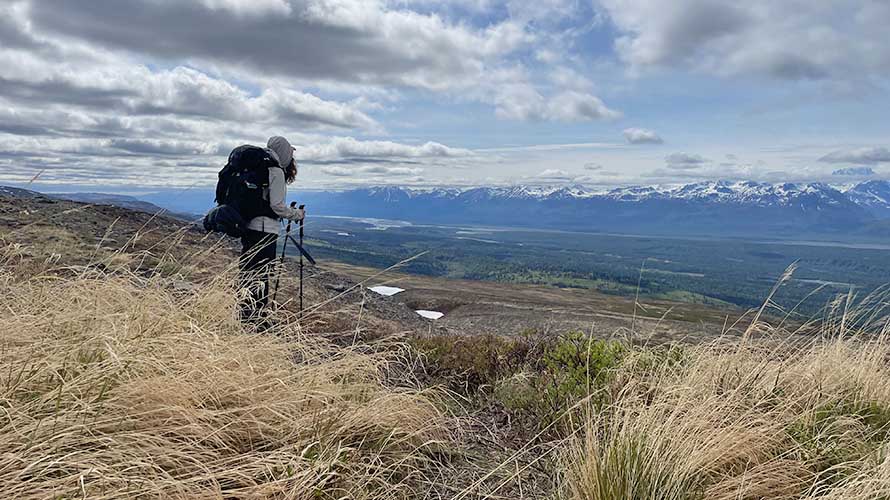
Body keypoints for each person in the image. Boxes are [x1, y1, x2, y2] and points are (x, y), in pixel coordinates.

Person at [238, 136, 305, 323]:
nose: (291, 158)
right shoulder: (275, 170)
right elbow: (277, 206)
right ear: (284, 152)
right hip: (265, 230)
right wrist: (297, 214)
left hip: (249, 226)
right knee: (262, 274)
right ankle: (256, 320)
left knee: (248, 271)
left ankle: (245, 314)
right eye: (290, 153)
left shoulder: (257, 167)